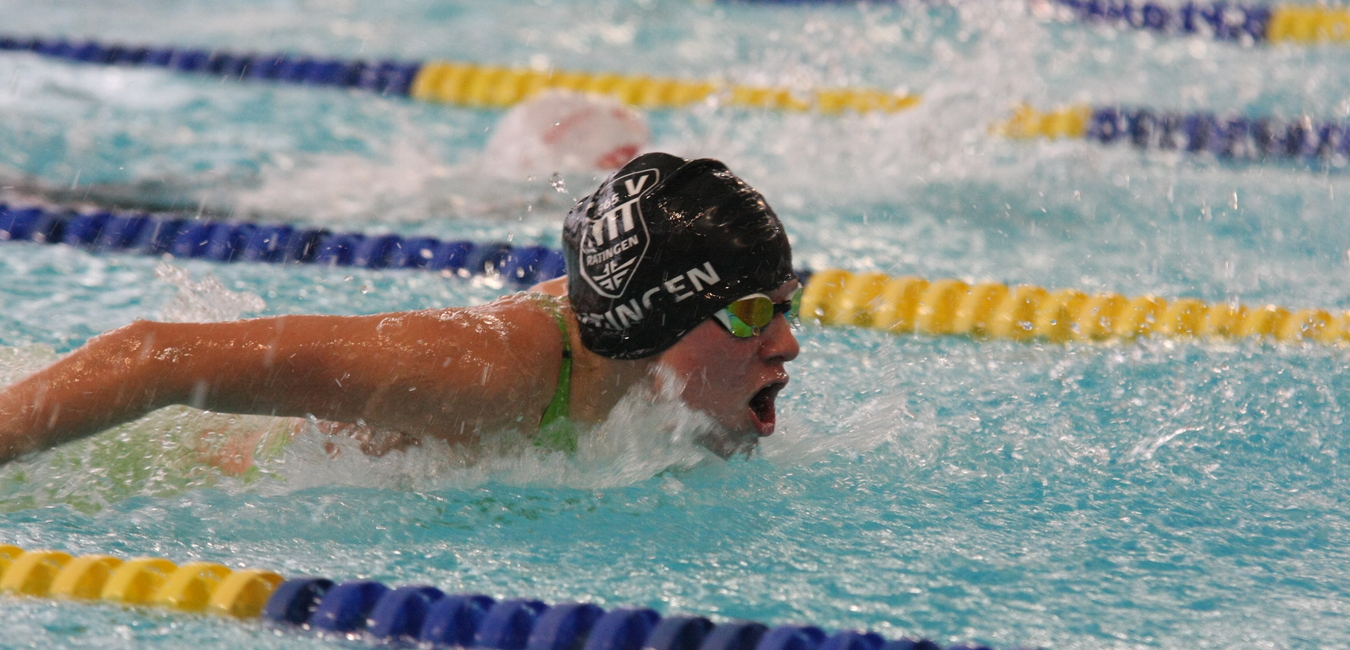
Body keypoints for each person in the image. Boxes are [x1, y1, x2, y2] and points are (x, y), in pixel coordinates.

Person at [0, 153, 801, 464]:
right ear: (653, 320)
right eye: (750, 315)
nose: (787, 343)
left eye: (785, 308)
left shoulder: (637, 355)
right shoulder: (486, 371)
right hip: (167, 471)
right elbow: (150, 356)